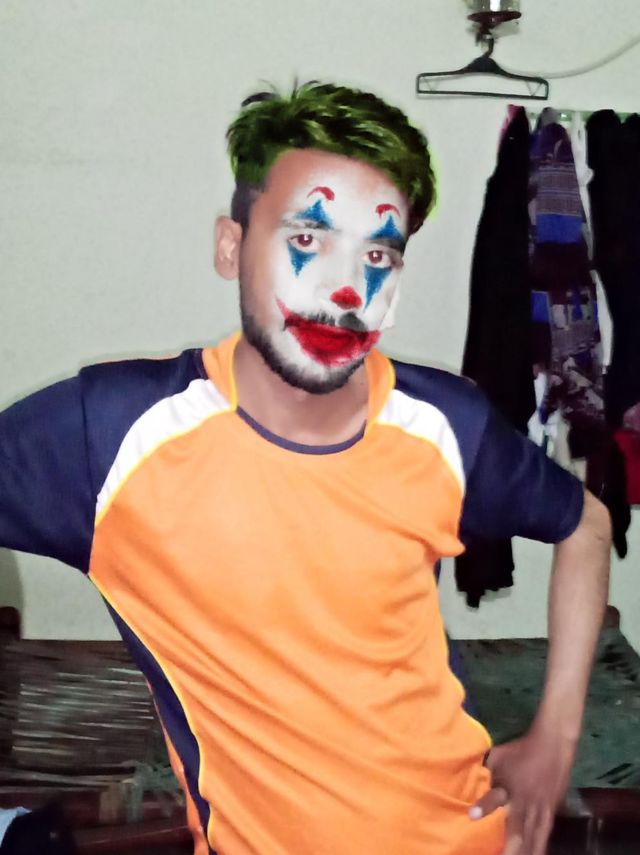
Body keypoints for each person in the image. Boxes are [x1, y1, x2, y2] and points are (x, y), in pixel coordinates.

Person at [0, 82, 611, 855]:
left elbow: (587, 525)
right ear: (231, 247)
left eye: (378, 254)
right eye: (309, 238)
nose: (346, 288)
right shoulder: (112, 436)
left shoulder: (443, 423)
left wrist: (556, 734)